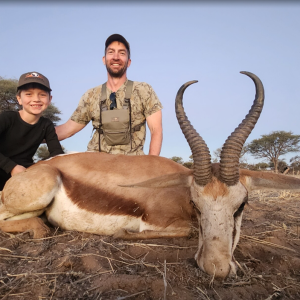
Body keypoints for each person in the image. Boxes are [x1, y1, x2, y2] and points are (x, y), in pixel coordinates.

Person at [55, 34, 163, 156]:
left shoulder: (144, 90)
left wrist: (150, 166)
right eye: (111, 52)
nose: (116, 57)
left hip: (133, 166)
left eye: (122, 53)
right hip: (96, 166)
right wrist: (34, 134)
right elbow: (67, 129)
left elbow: (156, 130)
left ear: (129, 62)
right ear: (104, 59)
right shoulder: (91, 95)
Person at [0, 71, 64, 191]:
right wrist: (12, 167)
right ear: (19, 99)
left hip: (24, 177)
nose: (36, 99)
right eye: (29, 94)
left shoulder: (46, 124)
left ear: (49, 99)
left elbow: (57, 153)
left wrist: (38, 169)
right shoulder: (7, 118)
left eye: (42, 95)